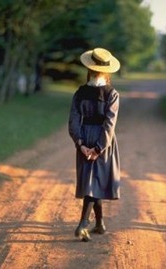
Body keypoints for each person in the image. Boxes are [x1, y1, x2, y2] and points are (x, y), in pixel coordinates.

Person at [68, 47, 121, 242]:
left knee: (93, 181)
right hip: (102, 140)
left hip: (85, 137)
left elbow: (73, 122)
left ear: (88, 69)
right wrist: (99, 148)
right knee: (94, 181)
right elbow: (110, 124)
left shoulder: (79, 93)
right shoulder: (112, 94)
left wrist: (80, 144)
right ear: (106, 70)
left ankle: (99, 224)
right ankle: (83, 224)